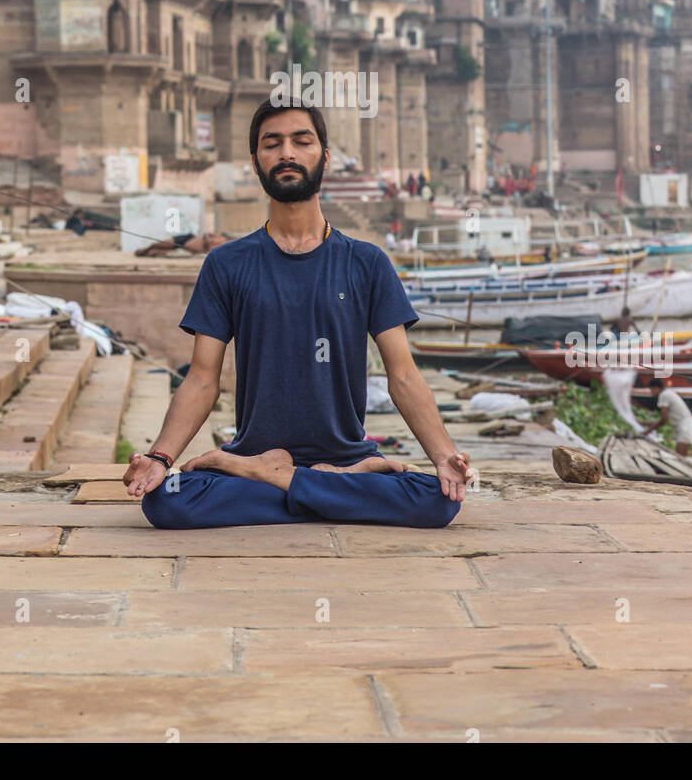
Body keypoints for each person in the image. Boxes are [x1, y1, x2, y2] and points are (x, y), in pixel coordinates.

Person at [124, 97, 470, 529]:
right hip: (254, 450)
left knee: (439, 502)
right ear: (256, 161)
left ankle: (277, 478)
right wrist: (160, 457)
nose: (287, 153)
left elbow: (402, 374)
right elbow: (201, 377)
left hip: (344, 456)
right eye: (272, 144)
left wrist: (443, 457)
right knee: (165, 503)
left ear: (324, 157)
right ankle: (322, 485)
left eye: (301, 141)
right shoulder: (227, 263)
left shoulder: (367, 262)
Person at [641, 379, 692, 457]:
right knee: (681, 458)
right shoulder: (668, 393)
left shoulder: (664, 395)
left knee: (680, 459)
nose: (651, 393)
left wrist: (647, 431)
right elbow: (663, 420)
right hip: (686, 427)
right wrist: (642, 423)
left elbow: (663, 420)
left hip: (685, 428)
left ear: (656, 388)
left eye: (651, 390)